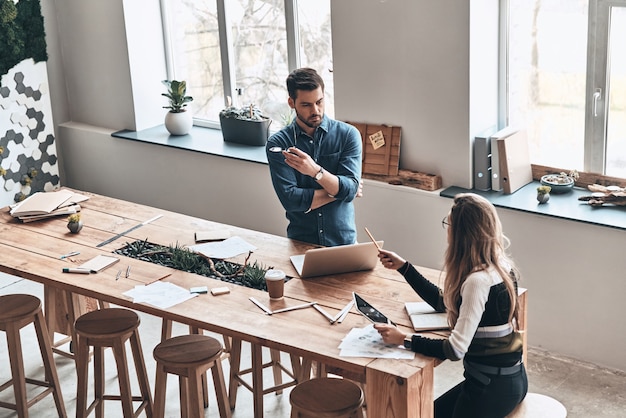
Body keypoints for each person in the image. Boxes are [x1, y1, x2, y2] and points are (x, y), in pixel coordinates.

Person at [374, 193, 527, 418]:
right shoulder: (502, 267)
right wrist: (404, 267)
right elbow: (444, 302)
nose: (447, 229)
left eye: (449, 224)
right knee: (430, 413)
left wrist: (403, 339)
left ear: (461, 234)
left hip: (490, 389)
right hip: (504, 379)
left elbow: (454, 350)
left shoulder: (478, 281)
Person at [266, 67, 362, 246]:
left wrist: (316, 171)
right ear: (291, 102)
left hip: (344, 244)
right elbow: (291, 200)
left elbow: (350, 189)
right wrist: (338, 190)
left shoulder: (348, 135)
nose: (315, 110)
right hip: (300, 243)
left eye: (319, 102)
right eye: (306, 105)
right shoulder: (278, 144)